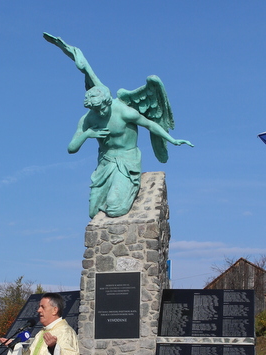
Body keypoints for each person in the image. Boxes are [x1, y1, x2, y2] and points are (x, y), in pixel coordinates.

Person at [44, 33, 193, 218]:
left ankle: (129, 186)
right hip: (105, 162)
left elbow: (150, 125)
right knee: (93, 212)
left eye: (101, 109)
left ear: (107, 103)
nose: (99, 113)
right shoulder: (88, 119)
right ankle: (115, 191)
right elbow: (71, 148)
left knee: (115, 208)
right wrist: (87, 134)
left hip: (126, 160)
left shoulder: (124, 111)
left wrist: (172, 139)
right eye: (95, 110)